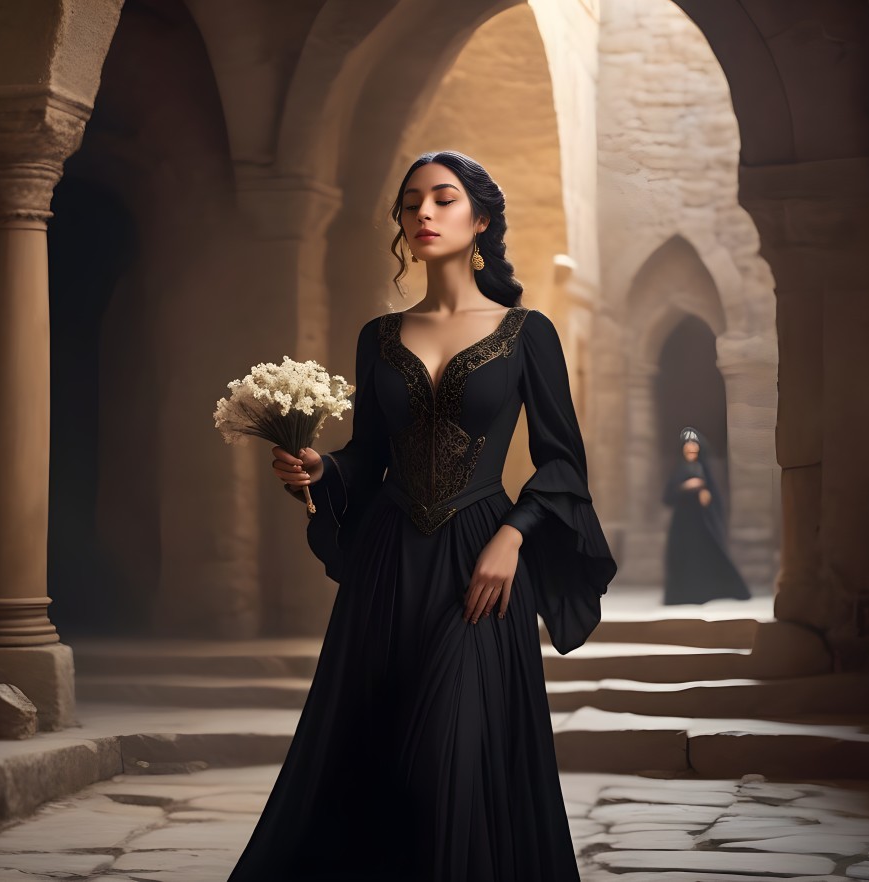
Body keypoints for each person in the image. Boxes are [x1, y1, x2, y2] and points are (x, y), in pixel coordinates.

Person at [226, 150, 617, 881]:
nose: (425, 214)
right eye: (412, 204)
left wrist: (513, 536)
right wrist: (319, 469)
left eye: (443, 199)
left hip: (482, 570)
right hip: (387, 566)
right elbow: (367, 454)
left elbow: (562, 462)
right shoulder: (379, 337)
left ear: (481, 219)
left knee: (454, 750)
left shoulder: (526, 332)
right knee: (374, 758)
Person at [661, 426, 750, 605]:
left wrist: (705, 493)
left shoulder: (703, 468)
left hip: (702, 523)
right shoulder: (680, 470)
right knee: (684, 557)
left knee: (706, 555)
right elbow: (668, 497)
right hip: (683, 524)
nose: (691, 451)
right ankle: (683, 594)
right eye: (688, 448)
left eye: (695, 448)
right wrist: (687, 487)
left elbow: (712, 494)